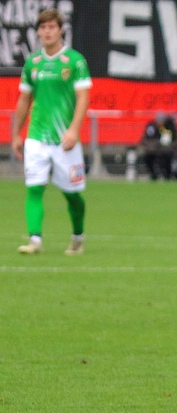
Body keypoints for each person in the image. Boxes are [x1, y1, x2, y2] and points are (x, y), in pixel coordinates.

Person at [11, 8, 91, 255]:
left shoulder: (75, 61)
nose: (47, 32)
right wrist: (16, 134)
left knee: (72, 195)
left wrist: (73, 130)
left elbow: (83, 97)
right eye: (43, 28)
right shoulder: (33, 63)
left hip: (64, 139)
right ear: (38, 32)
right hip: (36, 137)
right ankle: (35, 240)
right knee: (34, 188)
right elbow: (24, 100)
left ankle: (77, 236)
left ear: (60, 30)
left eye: (51, 27)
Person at [140, 112, 177, 180]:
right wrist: (152, 145)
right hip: (153, 150)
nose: (160, 122)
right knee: (147, 157)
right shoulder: (151, 127)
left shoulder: (170, 127)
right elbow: (144, 140)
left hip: (167, 150)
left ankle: (167, 175)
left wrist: (170, 146)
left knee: (167, 157)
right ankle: (153, 174)